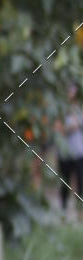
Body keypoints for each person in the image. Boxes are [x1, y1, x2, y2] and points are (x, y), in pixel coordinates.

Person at [54, 83, 83, 216]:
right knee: (64, 182)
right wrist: (72, 126)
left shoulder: (79, 108)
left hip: (78, 151)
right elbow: (58, 128)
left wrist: (70, 127)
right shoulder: (59, 109)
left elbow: (77, 125)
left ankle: (79, 210)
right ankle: (63, 211)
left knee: (80, 181)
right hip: (64, 153)